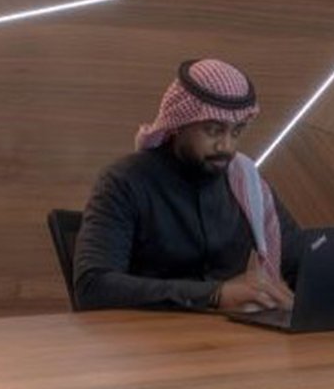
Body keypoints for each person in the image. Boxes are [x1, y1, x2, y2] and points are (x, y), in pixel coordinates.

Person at [72, 58, 303, 312]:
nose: (226, 146)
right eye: (213, 130)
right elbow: (93, 286)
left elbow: (299, 260)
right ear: (179, 125)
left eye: (236, 131)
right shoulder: (125, 181)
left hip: (228, 333)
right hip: (144, 332)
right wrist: (214, 295)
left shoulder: (247, 183)